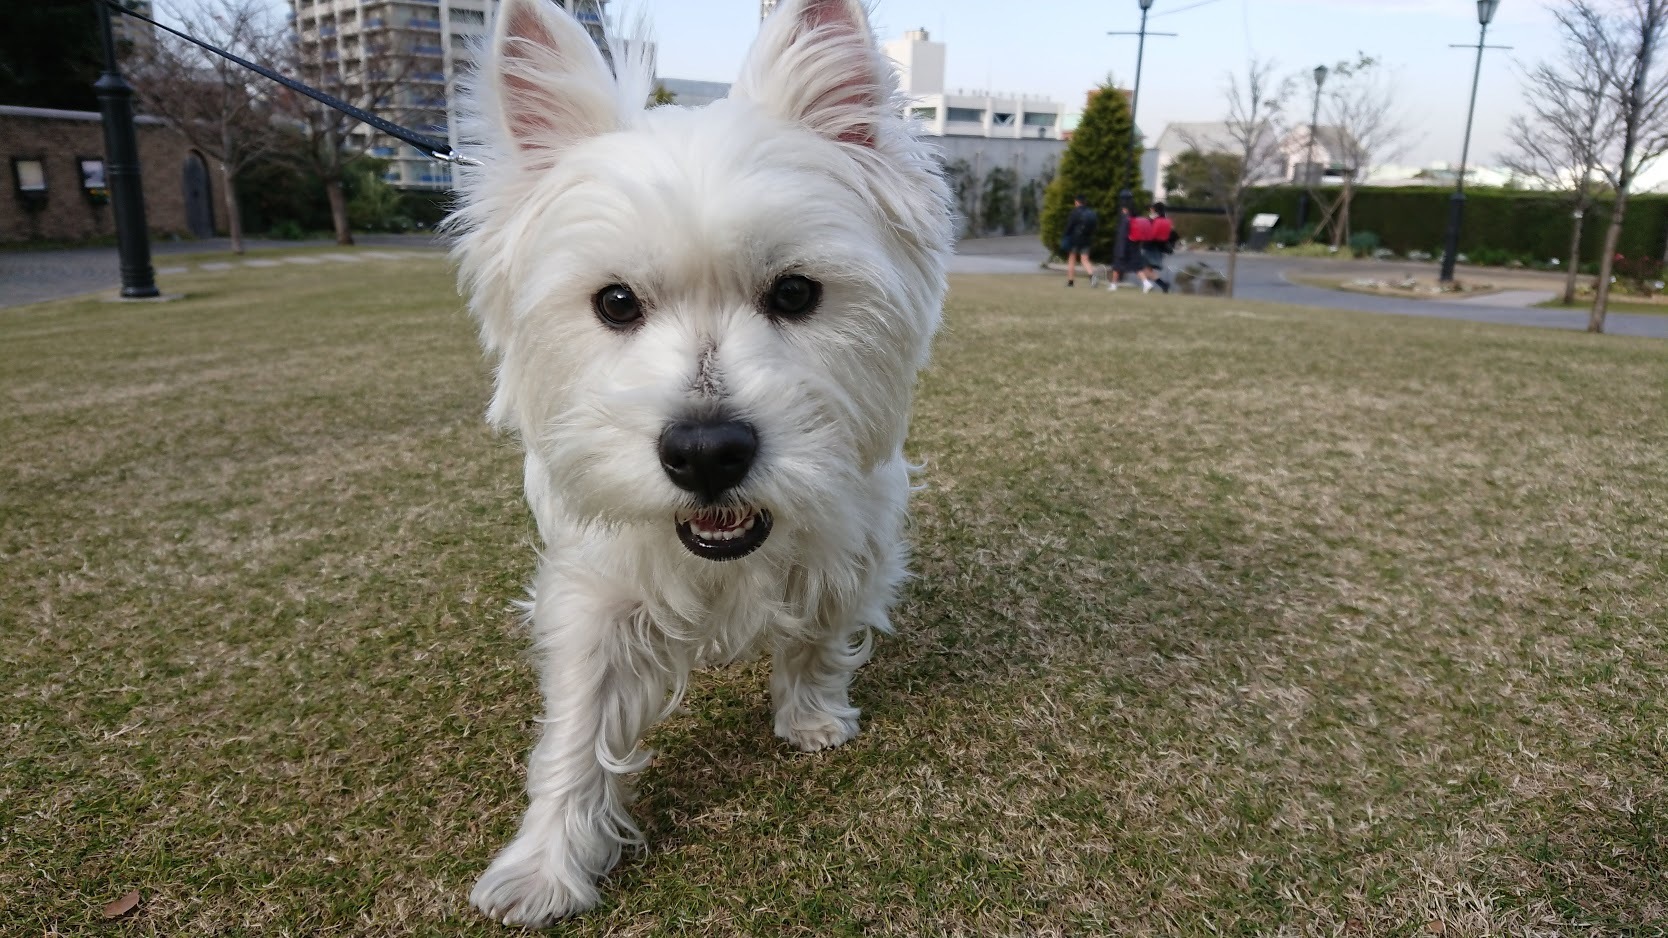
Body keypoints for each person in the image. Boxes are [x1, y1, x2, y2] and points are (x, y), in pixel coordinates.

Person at [1061, 195, 1100, 287]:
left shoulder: (1075, 212)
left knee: (1072, 259)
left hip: (1075, 240)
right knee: (1085, 260)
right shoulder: (1091, 212)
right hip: (1086, 239)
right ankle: (1092, 276)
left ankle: (1070, 282)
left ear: (1077, 202)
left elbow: (1069, 226)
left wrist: (1065, 235)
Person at [1138, 202, 1174, 294]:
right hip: (1159, 248)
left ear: (1155, 210)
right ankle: (1147, 287)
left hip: (1149, 247)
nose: (1151, 209)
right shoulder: (1165, 220)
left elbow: (1147, 232)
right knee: (1149, 269)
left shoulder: (1152, 220)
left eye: (1152, 208)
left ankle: (1162, 285)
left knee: (1143, 268)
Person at [1106, 205, 1133, 291]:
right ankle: (1145, 282)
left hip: (1121, 246)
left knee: (1117, 266)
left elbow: (1121, 235)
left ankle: (1114, 285)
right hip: (1128, 246)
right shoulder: (1131, 219)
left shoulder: (1124, 220)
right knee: (1136, 267)